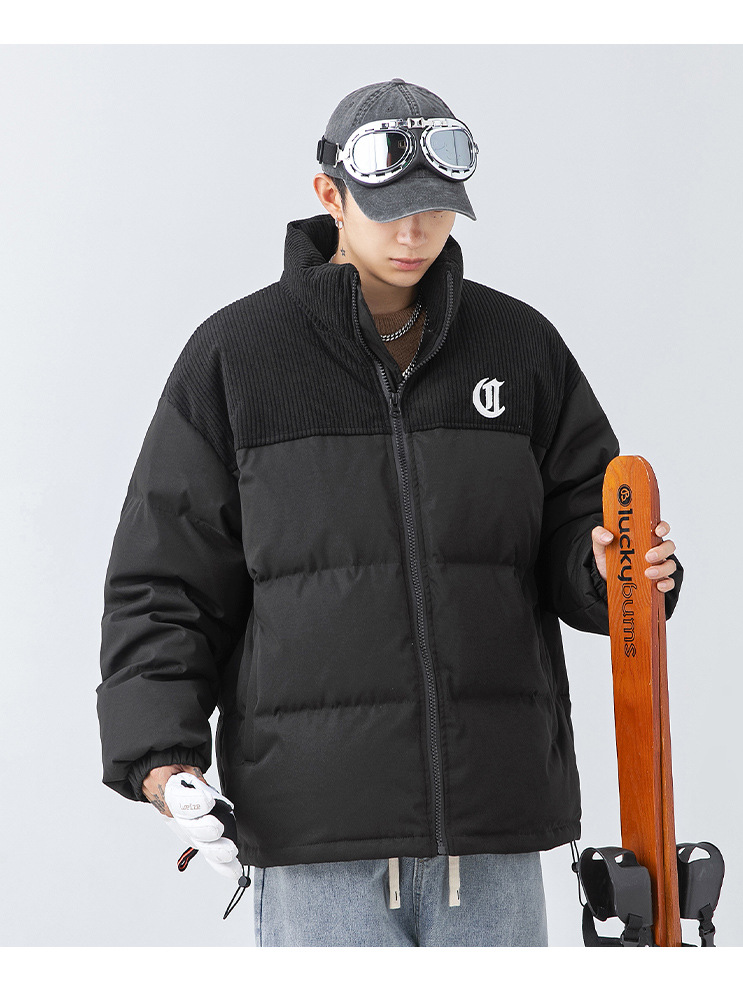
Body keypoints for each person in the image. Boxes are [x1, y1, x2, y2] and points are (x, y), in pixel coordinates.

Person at [97, 78, 682, 947]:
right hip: (316, 834)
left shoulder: (519, 346)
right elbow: (165, 580)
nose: (414, 234)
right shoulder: (237, 359)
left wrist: (611, 572)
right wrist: (162, 758)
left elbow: (581, 528)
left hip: (493, 823)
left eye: (436, 211)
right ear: (330, 195)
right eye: (390, 210)